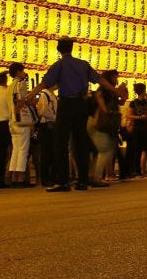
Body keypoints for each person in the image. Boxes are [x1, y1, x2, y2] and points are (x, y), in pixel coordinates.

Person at [27, 38, 113, 192]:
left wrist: (28, 97)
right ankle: (83, 181)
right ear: (72, 48)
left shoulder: (59, 65)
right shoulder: (83, 64)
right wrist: (115, 90)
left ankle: (63, 181)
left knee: (60, 142)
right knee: (81, 142)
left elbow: (44, 84)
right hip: (81, 104)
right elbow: (100, 79)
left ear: (59, 49)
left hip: (66, 104)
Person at [88, 70, 124, 185]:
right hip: (99, 122)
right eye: (115, 77)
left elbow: (121, 102)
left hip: (99, 122)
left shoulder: (109, 91)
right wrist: (106, 112)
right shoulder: (104, 90)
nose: (116, 80)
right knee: (105, 150)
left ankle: (92, 175)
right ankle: (97, 177)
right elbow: (101, 103)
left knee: (100, 150)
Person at [126, 83, 147, 177]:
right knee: (139, 149)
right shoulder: (133, 103)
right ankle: (139, 171)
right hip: (139, 127)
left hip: (145, 127)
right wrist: (140, 117)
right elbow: (129, 115)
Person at [34, 85, 58, 186]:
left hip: (52, 125)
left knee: (53, 152)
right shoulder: (44, 95)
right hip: (46, 125)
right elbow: (42, 111)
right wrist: (54, 116)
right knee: (46, 152)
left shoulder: (53, 95)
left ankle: (53, 177)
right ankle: (45, 178)